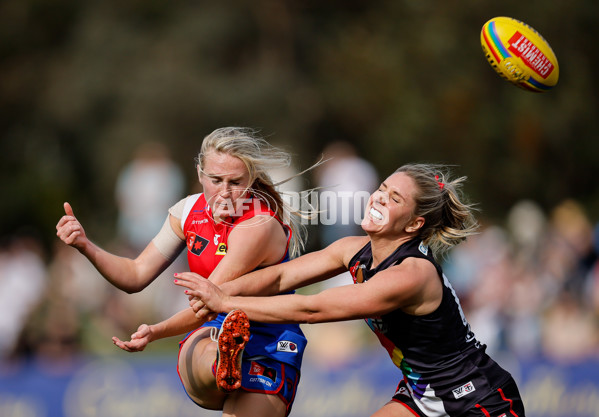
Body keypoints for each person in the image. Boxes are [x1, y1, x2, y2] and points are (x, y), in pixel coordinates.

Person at [174, 163, 526, 417]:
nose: (378, 199)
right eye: (382, 190)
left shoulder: (412, 274)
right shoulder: (353, 249)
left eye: (394, 199)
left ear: (415, 224)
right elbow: (280, 278)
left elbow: (314, 310)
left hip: (481, 400)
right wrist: (217, 289)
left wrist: (225, 301)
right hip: (421, 394)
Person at [56, 127, 310, 417]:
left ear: (251, 180)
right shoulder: (187, 212)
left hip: (271, 341)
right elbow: (136, 274)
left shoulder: (258, 226)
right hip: (218, 326)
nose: (225, 192)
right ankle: (223, 360)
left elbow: (210, 300)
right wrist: (86, 246)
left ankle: (225, 359)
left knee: (207, 340)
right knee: (205, 346)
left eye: (235, 182)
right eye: (215, 180)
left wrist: (155, 331)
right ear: (200, 174)